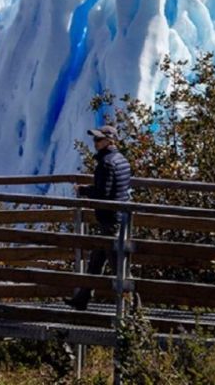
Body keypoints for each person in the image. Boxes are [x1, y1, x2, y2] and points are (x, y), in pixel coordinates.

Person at [65, 124, 132, 311]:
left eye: (99, 139)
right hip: (119, 219)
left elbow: (103, 192)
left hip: (110, 220)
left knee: (119, 267)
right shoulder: (122, 160)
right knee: (96, 262)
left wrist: (84, 190)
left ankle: (135, 310)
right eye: (95, 139)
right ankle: (82, 299)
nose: (95, 143)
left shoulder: (106, 163)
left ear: (110, 140)